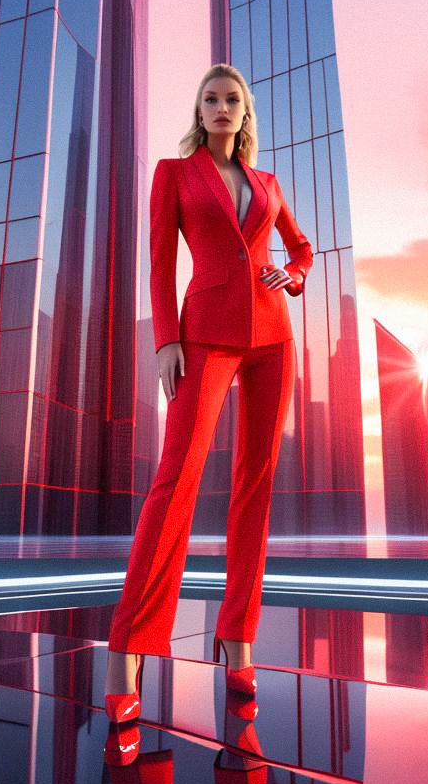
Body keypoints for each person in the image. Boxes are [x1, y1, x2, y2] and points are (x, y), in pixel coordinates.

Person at [103, 63, 312, 725]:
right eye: (211, 99)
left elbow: (301, 247)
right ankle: (127, 650)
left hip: (273, 338)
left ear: (245, 114)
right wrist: (166, 339)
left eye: (233, 100)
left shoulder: (268, 183)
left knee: (257, 487)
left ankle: (238, 640)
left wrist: (294, 276)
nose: (222, 107)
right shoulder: (174, 173)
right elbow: (160, 260)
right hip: (205, 336)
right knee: (176, 480)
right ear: (199, 111)